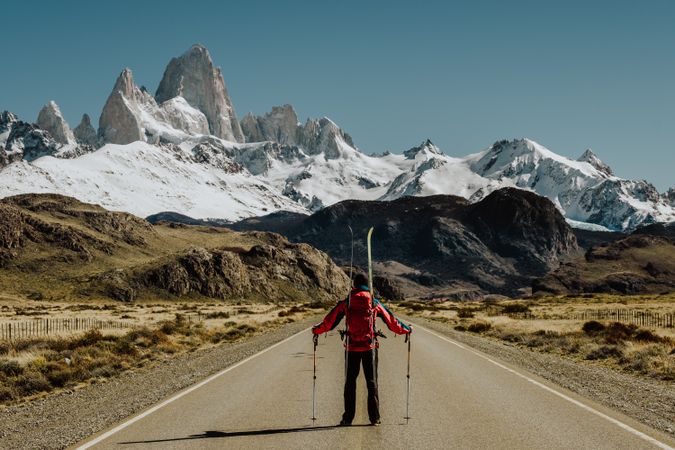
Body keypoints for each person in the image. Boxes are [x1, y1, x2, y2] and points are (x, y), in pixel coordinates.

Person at [312, 273, 412, 426]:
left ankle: (347, 418)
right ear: (367, 285)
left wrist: (316, 330)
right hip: (369, 347)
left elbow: (329, 322)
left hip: (351, 348)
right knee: (371, 383)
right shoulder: (373, 302)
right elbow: (392, 322)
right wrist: (406, 330)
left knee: (350, 383)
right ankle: (375, 418)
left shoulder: (348, 302)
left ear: (354, 284)